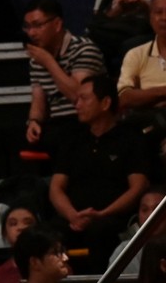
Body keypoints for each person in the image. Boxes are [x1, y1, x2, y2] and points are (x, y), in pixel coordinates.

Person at [51, 74, 152, 268]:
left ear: (105, 103)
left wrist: (103, 213)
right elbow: (56, 187)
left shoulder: (130, 138)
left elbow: (137, 187)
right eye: (77, 99)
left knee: (101, 233)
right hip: (73, 217)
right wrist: (72, 215)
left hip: (113, 218)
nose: (77, 104)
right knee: (45, 235)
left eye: (84, 99)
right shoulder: (72, 139)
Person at [118, 0, 166, 179]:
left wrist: (143, 95)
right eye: (158, 12)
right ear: (150, 18)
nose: (164, 18)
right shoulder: (135, 54)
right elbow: (124, 98)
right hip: (144, 122)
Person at [21, 0, 106, 153]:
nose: (31, 33)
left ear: (57, 24)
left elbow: (78, 96)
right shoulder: (37, 59)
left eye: (37, 25)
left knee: (62, 136)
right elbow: (38, 100)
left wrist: (49, 62)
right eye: (27, 27)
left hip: (83, 122)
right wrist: (34, 121)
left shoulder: (84, 49)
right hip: (55, 123)